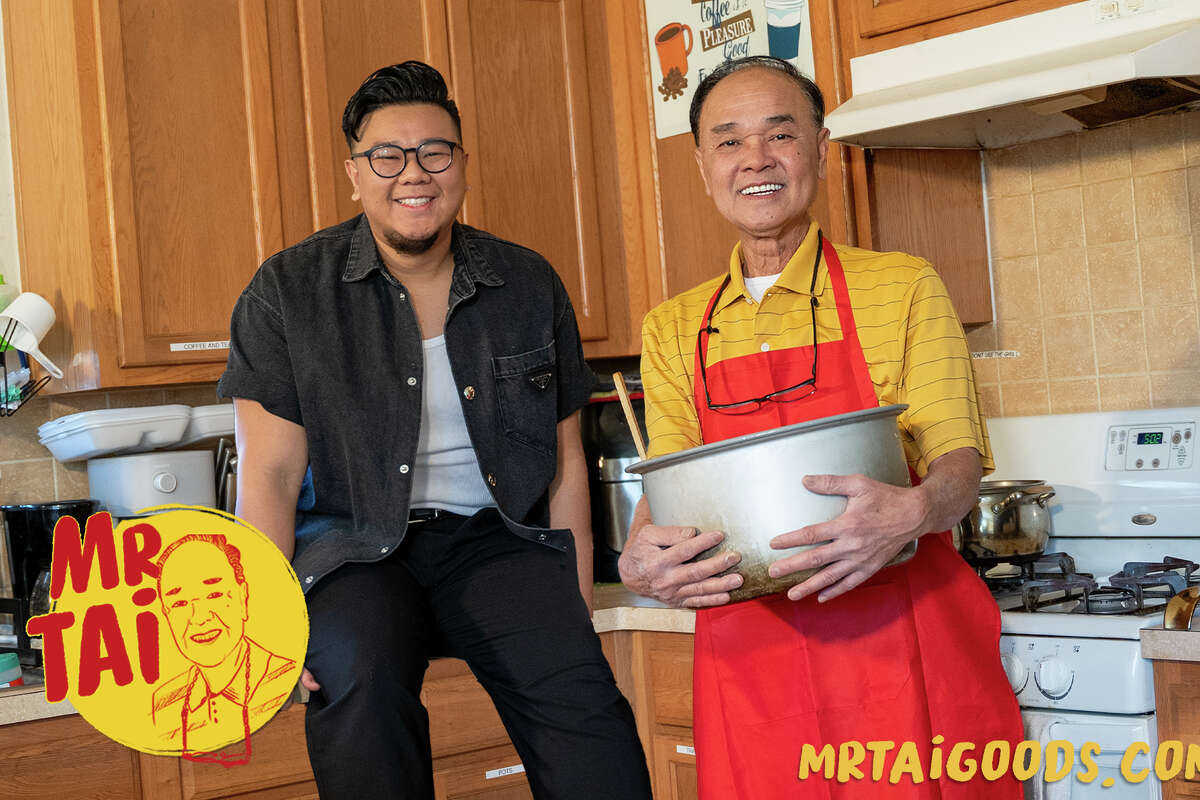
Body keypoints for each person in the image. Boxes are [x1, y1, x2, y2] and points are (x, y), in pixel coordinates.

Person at [217, 61, 650, 799]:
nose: (412, 173)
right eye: (387, 155)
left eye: (434, 152)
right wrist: (266, 631)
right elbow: (270, 473)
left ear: (462, 166)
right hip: (355, 550)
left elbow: (564, 464)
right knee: (359, 676)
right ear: (355, 173)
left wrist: (572, 603)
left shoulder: (527, 283)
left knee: (587, 714)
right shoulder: (287, 291)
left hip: (496, 541)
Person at [620, 56, 1024, 799]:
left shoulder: (902, 285)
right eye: (730, 142)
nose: (756, 161)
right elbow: (668, 494)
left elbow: (959, 467)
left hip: (903, 644)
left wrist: (912, 512)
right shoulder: (673, 328)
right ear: (703, 162)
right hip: (752, 675)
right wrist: (640, 557)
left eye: (781, 135)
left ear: (820, 148)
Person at [151, 534, 296, 763]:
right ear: (166, 614)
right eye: (179, 603)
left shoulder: (280, 675)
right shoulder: (164, 702)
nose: (198, 618)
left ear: (243, 596)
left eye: (214, 595)